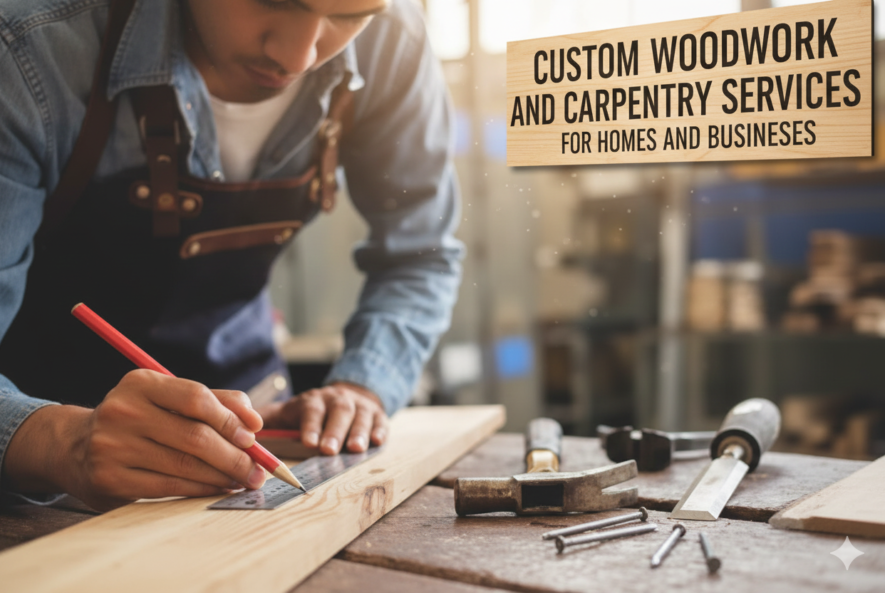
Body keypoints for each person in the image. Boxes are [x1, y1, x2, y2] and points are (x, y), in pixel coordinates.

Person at [0, 0, 462, 511]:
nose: (299, 56)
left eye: (350, 17)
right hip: (30, 467)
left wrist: (364, 386)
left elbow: (420, 256)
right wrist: (59, 441)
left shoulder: (392, 41)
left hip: (248, 446)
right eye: (276, 0)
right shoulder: (28, 48)